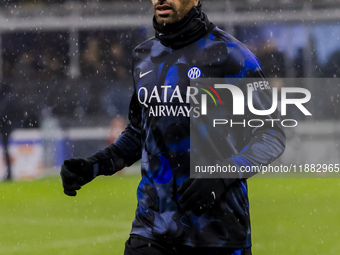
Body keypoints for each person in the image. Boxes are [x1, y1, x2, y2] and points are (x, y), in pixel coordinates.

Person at [60, 1, 286, 255]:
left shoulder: (233, 56)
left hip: (218, 235)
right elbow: (140, 132)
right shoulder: (143, 57)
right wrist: (94, 165)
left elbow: (271, 134)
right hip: (151, 232)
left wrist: (220, 176)